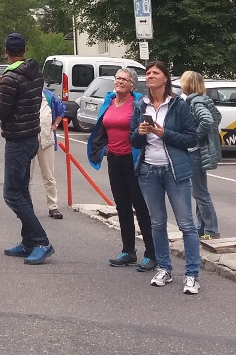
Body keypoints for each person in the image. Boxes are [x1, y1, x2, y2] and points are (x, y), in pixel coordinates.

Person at [131, 60, 202, 295]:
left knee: (186, 225)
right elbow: (133, 140)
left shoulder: (178, 105)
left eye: (155, 73)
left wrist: (165, 133)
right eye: (148, 73)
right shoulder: (141, 105)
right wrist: (140, 133)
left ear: (165, 78)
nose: (150, 76)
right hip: (149, 171)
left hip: (175, 171)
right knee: (157, 223)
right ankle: (164, 268)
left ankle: (192, 275)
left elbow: (191, 138)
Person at [0, 31, 54, 265]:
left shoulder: (10, 78)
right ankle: (28, 242)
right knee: (22, 191)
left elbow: (1, 112)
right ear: (25, 50)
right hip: (31, 136)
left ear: (6, 51)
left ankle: (41, 241)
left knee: (11, 194)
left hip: (17, 139)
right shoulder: (34, 72)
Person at [87, 68, 157, 272]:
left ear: (132, 85)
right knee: (122, 207)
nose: (119, 82)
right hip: (114, 160)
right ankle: (128, 251)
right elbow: (100, 129)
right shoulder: (108, 102)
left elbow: (145, 130)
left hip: (133, 161)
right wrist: (104, 149)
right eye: (117, 78)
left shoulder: (138, 104)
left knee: (141, 208)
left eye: (124, 80)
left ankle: (151, 254)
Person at [179, 70, 221, 240]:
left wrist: (195, 137)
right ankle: (202, 228)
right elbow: (217, 116)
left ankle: (211, 230)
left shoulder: (195, 102)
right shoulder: (203, 99)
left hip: (195, 151)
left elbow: (208, 120)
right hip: (198, 151)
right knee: (199, 192)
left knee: (200, 193)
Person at [36, 87, 66, 219]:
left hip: (46, 139)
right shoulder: (23, 92)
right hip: (28, 140)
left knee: (49, 175)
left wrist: (56, 124)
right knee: (26, 176)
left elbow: (61, 110)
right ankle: (26, 207)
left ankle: (53, 207)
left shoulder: (48, 95)